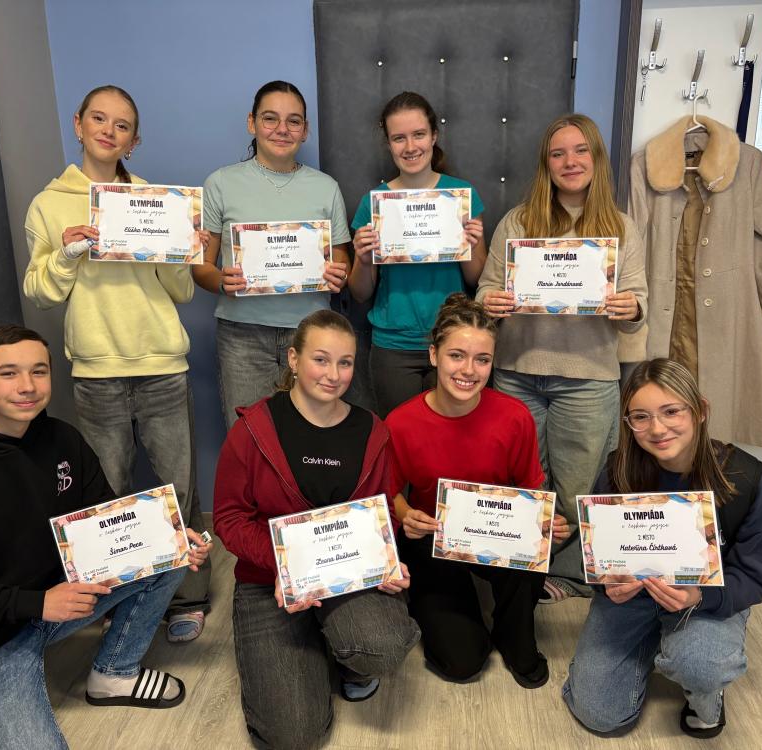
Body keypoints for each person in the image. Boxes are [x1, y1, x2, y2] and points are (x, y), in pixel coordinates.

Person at [0, 325, 212, 750]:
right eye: (8, 373)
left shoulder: (63, 439)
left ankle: (114, 673)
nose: (27, 386)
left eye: (39, 371)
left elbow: (106, 520)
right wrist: (38, 603)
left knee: (168, 549)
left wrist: (170, 539)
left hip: (63, 598)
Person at [23, 85, 211, 643]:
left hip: (162, 364)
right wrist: (67, 253)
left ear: (134, 140)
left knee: (179, 488)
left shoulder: (157, 200)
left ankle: (188, 597)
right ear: (78, 124)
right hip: (97, 371)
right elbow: (40, 293)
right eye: (99, 119)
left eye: (122, 125)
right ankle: (118, 603)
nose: (109, 131)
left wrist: (185, 250)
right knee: (108, 497)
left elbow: (181, 292)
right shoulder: (48, 203)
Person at [213, 309, 420, 750]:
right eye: (320, 359)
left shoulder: (372, 430)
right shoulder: (253, 429)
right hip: (269, 581)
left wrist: (386, 562)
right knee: (293, 735)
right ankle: (310, 642)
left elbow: (383, 511)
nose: (334, 374)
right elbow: (229, 519)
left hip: (348, 574)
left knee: (382, 646)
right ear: (293, 359)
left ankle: (347, 656)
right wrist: (286, 568)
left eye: (345, 363)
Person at [562, 358, 762, 739]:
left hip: (704, 598)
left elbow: (755, 576)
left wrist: (701, 596)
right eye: (641, 417)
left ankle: (704, 691)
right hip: (632, 597)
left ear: (700, 411)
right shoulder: (616, 473)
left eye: (671, 411)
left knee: (701, 665)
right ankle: (652, 643)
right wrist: (605, 584)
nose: (657, 428)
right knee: (599, 714)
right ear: (628, 423)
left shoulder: (747, 479)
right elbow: (593, 555)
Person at [476, 113, 647, 601]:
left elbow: (638, 304)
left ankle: (570, 577)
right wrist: (491, 302)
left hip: (588, 377)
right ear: (546, 164)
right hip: (516, 372)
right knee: (521, 482)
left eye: (580, 151)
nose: (570, 162)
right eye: (558, 153)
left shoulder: (621, 228)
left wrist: (630, 307)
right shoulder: (518, 221)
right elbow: (485, 289)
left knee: (579, 486)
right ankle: (518, 571)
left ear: (596, 158)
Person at [386, 293, 569, 685]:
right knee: (462, 662)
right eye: (457, 356)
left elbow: (530, 489)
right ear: (434, 355)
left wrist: (545, 520)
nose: (469, 370)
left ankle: (513, 632)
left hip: (498, 536)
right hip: (434, 538)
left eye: (482, 359)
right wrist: (406, 515)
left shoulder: (514, 416)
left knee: (532, 547)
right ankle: (447, 608)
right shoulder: (400, 423)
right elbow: (389, 493)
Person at [195, 80, 352, 428]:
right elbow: (201, 267)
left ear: (305, 130)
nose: (282, 129)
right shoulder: (220, 183)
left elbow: (343, 260)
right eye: (270, 118)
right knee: (249, 437)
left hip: (312, 334)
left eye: (293, 121)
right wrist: (221, 281)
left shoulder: (326, 187)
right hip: (242, 336)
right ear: (252, 123)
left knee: (311, 435)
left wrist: (339, 272)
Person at [348, 91, 486, 417]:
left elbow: (476, 279)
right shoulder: (374, 204)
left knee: (451, 438)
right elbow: (359, 293)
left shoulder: (461, 196)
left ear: (434, 136)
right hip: (393, 346)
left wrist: (470, 244)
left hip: (453, 340)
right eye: (399, 138)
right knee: (401, 438)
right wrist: (364, 259)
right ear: (388, 144)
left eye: (419, 134)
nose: (410, 147)